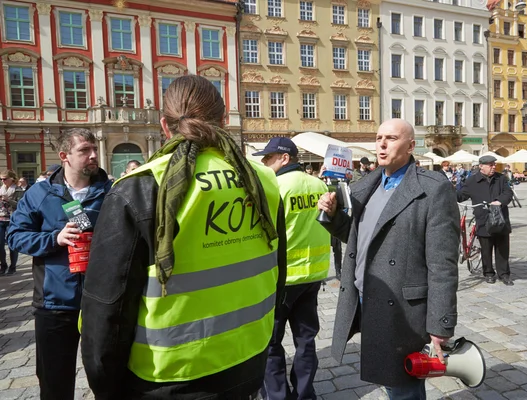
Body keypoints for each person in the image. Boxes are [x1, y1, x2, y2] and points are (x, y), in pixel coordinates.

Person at [80, 75, 287, 400]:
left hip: (167, 377)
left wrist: (106, 388)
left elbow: (107, 309)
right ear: (222, 120)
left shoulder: (140, 187)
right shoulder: (262, 179)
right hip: (247, 363)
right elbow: (278, 273)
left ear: (165, 126)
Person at [317, 119, 459, 399]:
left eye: (391, 138)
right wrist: (334, 216)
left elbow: (442, 265)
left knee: (403, 387)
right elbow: (362, 239)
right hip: (364, 298)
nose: (382, 144)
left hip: (404, 309)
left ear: (410, 146)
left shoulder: (432, 189)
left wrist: (440, 326)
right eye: (379, 137)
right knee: (386, 379)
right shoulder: (365, 186)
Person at [7, 128, 111, 400]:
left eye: (94, 150)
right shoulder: (39, 193)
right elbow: (15, 236)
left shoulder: (111, 192)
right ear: (64, 156)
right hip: (54, 304)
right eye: (84, 151)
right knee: (54, 382)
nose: (93, 155)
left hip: (101, 302)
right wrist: (55, 238)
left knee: (108, 378)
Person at [252, 137, 330, 400]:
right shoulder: (319, 184)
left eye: (268, 158)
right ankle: (305, 394)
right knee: (306, 340)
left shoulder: (274, 185)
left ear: (284, 158)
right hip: (313, 276)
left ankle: (278, 396)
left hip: (281, 279)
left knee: (271, 343)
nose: (264, 163)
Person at [457, 155, 514, 285]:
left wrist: (500, 201)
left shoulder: (500, 178)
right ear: (481, 166)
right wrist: (447, 193)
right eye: (490, 165)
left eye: (494, 164)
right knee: (486, 248)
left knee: (502, 248)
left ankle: (504, 274)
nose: (493, 167)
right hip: (483, 218)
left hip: (500, 218)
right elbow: (461, 195)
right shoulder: (472, 181)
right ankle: (488, 273)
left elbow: (508, 193)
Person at [0, 170, 19, 275]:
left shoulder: (17, 189)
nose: (3, 181)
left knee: (12, 243)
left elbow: (20, 204)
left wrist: (8, 200)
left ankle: (13, 266)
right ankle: (3, 265)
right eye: (1, 179)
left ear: (12, 179)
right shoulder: (0, 189)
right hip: (0, 218)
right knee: (0, 244)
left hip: (12, 219)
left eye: (5, 179)